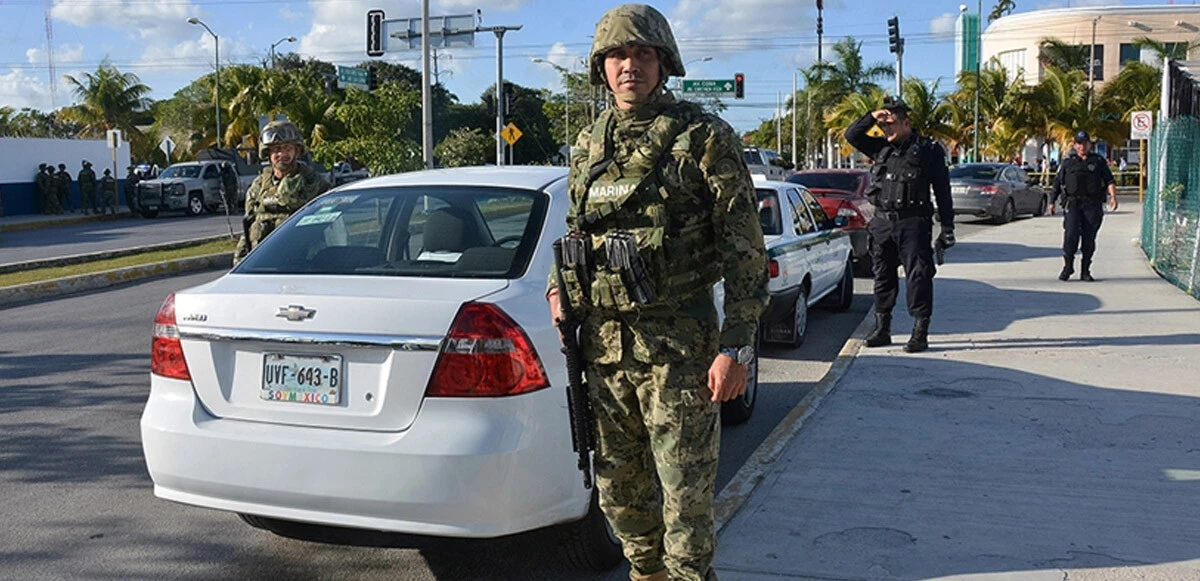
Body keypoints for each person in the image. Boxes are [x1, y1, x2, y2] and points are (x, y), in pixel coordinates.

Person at [544, 5, 768, 580]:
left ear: (664, 62)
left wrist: (736, 348)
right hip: (602, 349)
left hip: (681, 352)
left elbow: (745, 251)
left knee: (686, 505)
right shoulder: (588, 144)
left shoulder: (703, 137)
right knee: (620, 495)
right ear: (601, 67)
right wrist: (556, 288)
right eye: (618, 55)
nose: (630, 66)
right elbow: (577, 230)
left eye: (642, 54)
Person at [844, 96, 955, 353]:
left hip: (913, 223)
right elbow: (852, 134)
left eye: (891, 124)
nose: (886, 130)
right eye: (884, 126)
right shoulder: (881, 148)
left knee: (918, 277)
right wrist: (873, 116)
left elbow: (942, 190)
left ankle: (920, 332)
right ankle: (883, 329)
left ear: (907, 123)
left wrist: (947, 227)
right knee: (883, 276)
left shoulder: (928, 150)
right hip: (882, 222)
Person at [234, 120, 330, 264]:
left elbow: (333, 229)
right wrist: (240, 261)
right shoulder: (258, 187)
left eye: (287, 149)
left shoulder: (315, 184)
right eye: (276, 149)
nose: (281, 154)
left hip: (305, 265)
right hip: (266, 265)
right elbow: (248, 227)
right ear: (268, 152)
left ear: (297, 150)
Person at [1049, 131, 1118, 282]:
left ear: (1089, 144)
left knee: (1089, 238)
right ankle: (1068, 266)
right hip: (1073, 204)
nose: (1082, 146)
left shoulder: (1098, 161)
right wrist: (1052, 202)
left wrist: (1113, 197)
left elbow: (1109, 180)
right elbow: (1057, 183)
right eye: (1079, 143)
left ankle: (1085, 270)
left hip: (1092, 205)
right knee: (1070, 235)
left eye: (1085, 143)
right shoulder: (1068, 162)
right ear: (1075, 145)